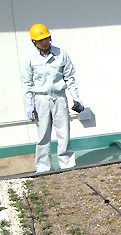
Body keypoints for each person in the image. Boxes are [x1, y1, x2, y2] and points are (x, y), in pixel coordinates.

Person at [21, 24, 84, 173]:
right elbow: (27, 83)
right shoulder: (30, 58)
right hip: (41, 99)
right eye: (40, 40)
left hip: (59, 97)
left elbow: (70, 78)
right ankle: (43, 167)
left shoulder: (61, 54)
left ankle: (67, 164)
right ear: (34, 42)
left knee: (63, 132)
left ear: (50, 37)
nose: (44, 42)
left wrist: (76, 97)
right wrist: (29, 104)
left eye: (46, 38)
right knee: (43, 134)